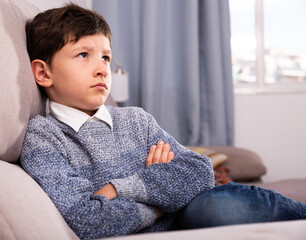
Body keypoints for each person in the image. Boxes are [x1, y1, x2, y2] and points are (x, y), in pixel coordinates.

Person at [20, 3, 306, 240]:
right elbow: (90, 220)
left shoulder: (136, 120)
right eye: (83, 55)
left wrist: (119, 189)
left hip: (190, 215)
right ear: (44, 73)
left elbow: (200, 171)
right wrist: (161, 201)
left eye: (106, 57)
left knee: (221, 203)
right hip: (162, 223)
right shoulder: (44, 137)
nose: (102, 69)